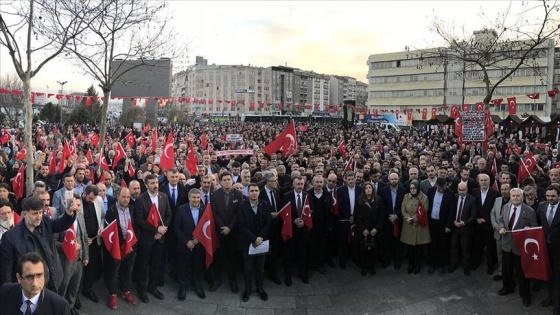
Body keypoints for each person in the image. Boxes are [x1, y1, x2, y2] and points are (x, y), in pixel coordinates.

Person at [0, 196, 77, 291]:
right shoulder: (10, 237)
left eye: (40, 212)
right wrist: (9, 293)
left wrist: (69, 213)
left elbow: (60, 225)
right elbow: (6, 271)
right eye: (35, 213)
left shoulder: (45, 221)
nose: (39, 216)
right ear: (24, 214)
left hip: (54, 280)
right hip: (32, 288)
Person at [133, 173, 172, 303]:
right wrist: (155, 230)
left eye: (156, 183)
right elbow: (139, 221)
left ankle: (152, 287)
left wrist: (162, 230)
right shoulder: (140, 199)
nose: (155, 185)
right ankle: (142, 289)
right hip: (146, 239)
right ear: (146, 185)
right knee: (143, 265)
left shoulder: (164, 196)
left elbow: (168, 215)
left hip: (160, 238)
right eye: (152, 183)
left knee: (156, 264)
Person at [496, 187, 538, 307]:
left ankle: (525, 295)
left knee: (522, 273)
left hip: (520, 248)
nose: (515, 198)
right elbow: (501, 221)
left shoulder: (529, 211)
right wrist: (502, 227)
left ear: (522, 197)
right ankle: (507, 287)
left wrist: (528, 230)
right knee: (507, 269)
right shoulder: (505, 207)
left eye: (518, 196)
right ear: (510, 196)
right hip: (506, 245)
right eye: (513, 196)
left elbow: (534, 228)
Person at [0, 252, 70, 315]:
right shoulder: (5, 292)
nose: (35, 283)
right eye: (29, 277)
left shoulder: (60, 306)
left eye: (39, 275)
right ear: (19, 278)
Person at [103, 187, 137, 310]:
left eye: (128, 197)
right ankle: (113, 294)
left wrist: (132, 244)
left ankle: (125, 291)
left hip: (130, 248)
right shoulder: (111, 211)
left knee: (127, 270)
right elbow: (109, 232)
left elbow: (135, 228)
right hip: (117, 248)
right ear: (118, 196)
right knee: (114, 272)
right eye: (124, 196)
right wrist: (119, 246)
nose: (126, 199)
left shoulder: (133, 210)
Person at [237, 183, 271, 302]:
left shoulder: (265, 204)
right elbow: (241, 225)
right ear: (248, 192)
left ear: (259, 192)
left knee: (260, 268)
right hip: (247, 242)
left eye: (256, 190)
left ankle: (260, 288)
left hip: (262, 242)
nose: (254, 193)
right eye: (252, 191)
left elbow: (268, 223)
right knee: (248, 268)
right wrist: (253, 238)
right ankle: (248, 289)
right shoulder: (242, 206)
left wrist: (260, 237)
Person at [174, 188, 206, 300]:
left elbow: (207, 227)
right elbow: (176, 228)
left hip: (199, 245)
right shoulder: (181, 209)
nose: (196, 200)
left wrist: (200, 238)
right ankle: (182, 288)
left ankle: (198, 286)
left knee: (198, 267)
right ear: (189, 198)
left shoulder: (204, 209)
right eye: (194, 197)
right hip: (184, 245)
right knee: (183, 268)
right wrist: (186, 241)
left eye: (198, 197)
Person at [281, 175, 312, 285]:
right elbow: (283, 213)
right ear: (293, 185)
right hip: (291, 230)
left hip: (303, 231)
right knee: (289, 254)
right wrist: (294, 220)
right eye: (297, 184)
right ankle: (288, 276)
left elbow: (310, 211)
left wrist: (304, 221)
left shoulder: (307, 195)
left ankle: (302, 273)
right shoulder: (286, 196)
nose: (300, 186)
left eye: (301, 184)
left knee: (302, 254)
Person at [536, 184, 560, 312]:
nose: (550, 198)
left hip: (558, 251)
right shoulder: (541, 206)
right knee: (549, 275)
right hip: (545, 249)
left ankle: (557, 306)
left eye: (553, 196)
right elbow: (539, 223)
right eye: (548, 196)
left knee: (557, 278)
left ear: (559, 196)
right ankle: (550, 297)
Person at [80, 185, 104, 304]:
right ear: (84, 193)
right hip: (81, 242)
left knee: (92, 265)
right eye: (89, 199)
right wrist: (83, 240)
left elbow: (102, 216)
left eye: (93, 199)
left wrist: (101, 228)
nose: (91, 201)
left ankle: (87, 289)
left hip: (95, 240)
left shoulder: (98, 200)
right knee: (79, 267)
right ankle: (76, 292)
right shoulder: (77, 203)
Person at [472, 173, 500, 273]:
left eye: (486, 180)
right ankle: (476, 262)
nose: (484, 182)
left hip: (489, 225)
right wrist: (476, 218)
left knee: (490, 247)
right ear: (478, 181)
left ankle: (490, 266)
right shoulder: (474, 192)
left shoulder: (495, 193)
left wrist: (486, 219)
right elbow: (472, 207)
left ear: (489, 181)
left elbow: (495, 209)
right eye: (482, 180)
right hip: (477, 224)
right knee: (477, 245)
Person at [400, 180, 430, 274]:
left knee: (419, 249)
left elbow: (424, 211)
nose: (413, 190)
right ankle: (411, 264)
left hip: (420, 226)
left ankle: (418, 265)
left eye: (414, 188)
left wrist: (413, 219)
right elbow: (403, 209)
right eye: (411, 188)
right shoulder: (406, 197)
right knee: (410, 248)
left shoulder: (424, 198)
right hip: (408, 225)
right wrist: (407, 217)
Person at [354, 182, 384, 276]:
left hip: (374, 230)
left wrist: (377, 228)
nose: (368, 189)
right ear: (364, 190)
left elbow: (381, 215)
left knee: (373, 250)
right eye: (366, 188)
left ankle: (371, 267)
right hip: (364, 231)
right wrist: (362, 229)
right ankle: (364, 267)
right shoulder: (359, 200)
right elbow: (357, 216)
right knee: (363, 250)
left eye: (369, 188)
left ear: (372, 189)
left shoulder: (378, 199)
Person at [447, 182, 477, 275]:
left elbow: (473, 215)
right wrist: (453, 222)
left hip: (466, 228)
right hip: (455, 227)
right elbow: (450, 211)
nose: (461, 192)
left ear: (467, 189)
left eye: (463, 190)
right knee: (454, 247)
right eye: (459, 190)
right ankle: (453, 264)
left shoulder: (472, 200)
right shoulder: (454, 197)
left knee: (465, 249)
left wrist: (463, 223)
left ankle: (466, 267)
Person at [426, 177, 454, 275]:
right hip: (432, 222)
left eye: (443, 187)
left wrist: (449, 226)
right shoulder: (431, 191)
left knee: (443, 245)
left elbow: (451, 212)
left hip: (443, 224)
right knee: (432, 244)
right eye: (439, 187)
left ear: (446, 185)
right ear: (436, 185)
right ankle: (432, 264)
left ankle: (442, 265)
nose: (441, 189)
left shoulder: (450, 194)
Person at [379, 172, 406, 270]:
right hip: (387, 220)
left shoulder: (403, 191)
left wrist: (397, 215)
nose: (394, 181)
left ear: (398, 179)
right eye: (392, 179)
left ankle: (397, 261)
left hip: (398, 221)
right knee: (387, 242)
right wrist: (389, 216)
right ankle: (386, 260)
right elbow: (383, 206)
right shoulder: (383, 191)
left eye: (395, 179)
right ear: (389, 180)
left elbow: (404, 205)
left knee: (398, 243)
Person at [307, 175, 333, 275]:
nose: (318, 184)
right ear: (313, 183)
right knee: (311, 245)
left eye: (320, 182)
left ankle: (319, 265)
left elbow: (329, 211)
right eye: (316, 182)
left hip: (323, 226)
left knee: (321, 246)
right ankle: (311, 264)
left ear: (323, 183)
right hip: (311, 225)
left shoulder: (327, 195)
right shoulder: (308, 194)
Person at [336, 171, 362, 269]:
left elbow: (360, 204)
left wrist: (354, 216)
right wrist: (348, 216)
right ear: (345, 180)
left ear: (355, 179)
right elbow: (340, 205)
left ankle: (356, 259)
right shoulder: (340, 190)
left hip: (356, 219)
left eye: (352, 179)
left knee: (356, 240)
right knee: (343, 240)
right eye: (349, 179)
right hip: (344, 219)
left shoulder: (360, 189)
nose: (351, 181)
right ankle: (342, 260)